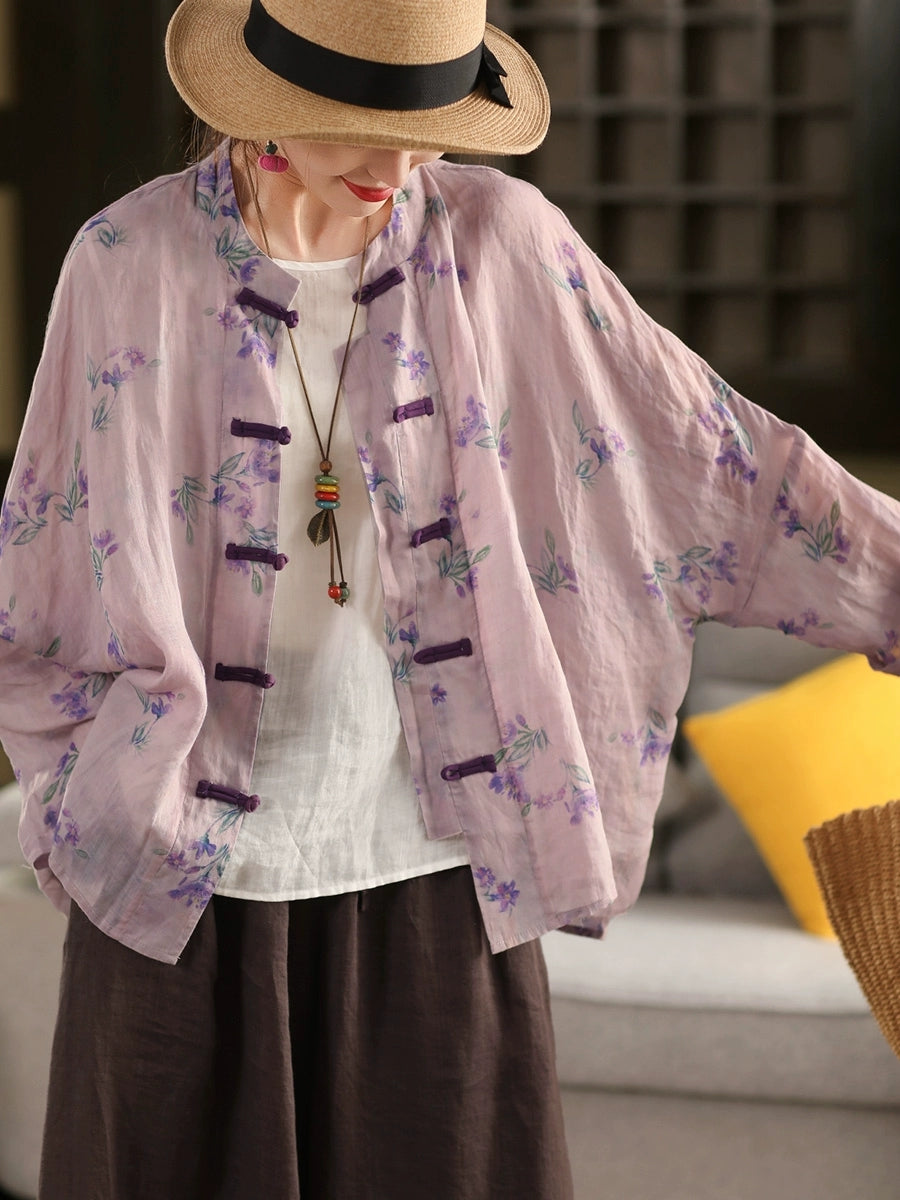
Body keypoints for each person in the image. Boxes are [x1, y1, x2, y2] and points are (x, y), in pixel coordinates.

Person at [2, 0, 899, 1196]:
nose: (400, 160)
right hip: (176, 881)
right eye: (359, 121)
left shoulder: (503, 244)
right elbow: (42, 571)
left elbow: (717, 459)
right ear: (267, 107)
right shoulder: (125, 263)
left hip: (434, 865)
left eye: (425, 123)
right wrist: (73, 798)